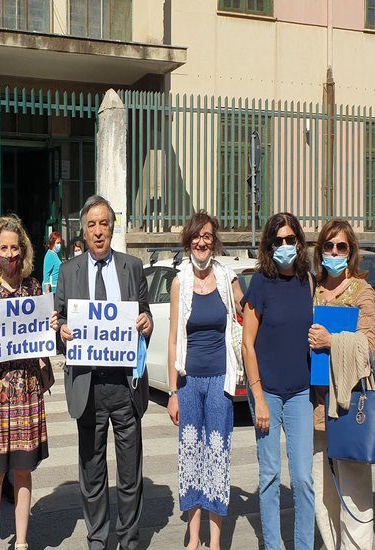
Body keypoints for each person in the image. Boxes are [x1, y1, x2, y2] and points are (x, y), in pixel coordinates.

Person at [55, 194, 153, 550]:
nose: (99, 231)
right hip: (89, 387)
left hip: (125, 387)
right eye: (92, 224)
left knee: (130, 474)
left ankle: (128, 539)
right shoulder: (68, 271)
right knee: (92, 472)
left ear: (114, 227)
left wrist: (146, 322)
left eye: (104, 224)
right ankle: (97, 537)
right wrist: (61, 330)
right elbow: (59, 320)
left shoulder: (133, 267)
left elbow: (146, 317)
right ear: (83, 230)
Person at [0, 215, 58, 550]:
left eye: (15, 248)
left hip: (26, 391)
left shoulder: (35, 290)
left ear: (24, 252)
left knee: (23, 471)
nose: (9, 254)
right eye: (3, 248)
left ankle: (22, 541)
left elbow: (43, 338)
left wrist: (50, 325)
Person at [166, 211, 243, 550]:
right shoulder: (179, 282)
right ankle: (193, 540)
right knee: (191, 458)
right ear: (189, 241)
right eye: (196, 236)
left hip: (219, 383)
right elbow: (172, 339)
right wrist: (171, 392)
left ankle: (215, 543)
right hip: (188, 382)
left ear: (215, 241)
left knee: (217, 457)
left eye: (208, 236)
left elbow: (250, 312)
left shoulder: (227, 278)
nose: (202, 242)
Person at [241, 212, 315, 550]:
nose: (284, 246)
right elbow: (247, 344)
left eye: (290, 239)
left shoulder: (307, 281)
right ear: (269, 246)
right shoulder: (260, 283)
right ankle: (272, 545)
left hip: (300, 394)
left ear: (298, 242)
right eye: (278, 241)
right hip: (267, 393)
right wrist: (257, 398)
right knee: (269, 477)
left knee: (302, 479)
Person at [307, 220, 375, 549]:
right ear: (320, 251)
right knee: (321, 491)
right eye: (328, 246)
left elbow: (368, 344)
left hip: (349, 403)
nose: (334, 252)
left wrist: (331, 341)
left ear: (350, 252)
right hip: (315, 405)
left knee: (355, 492)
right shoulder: (313, 289)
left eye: (341, 247)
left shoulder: (362, 292)